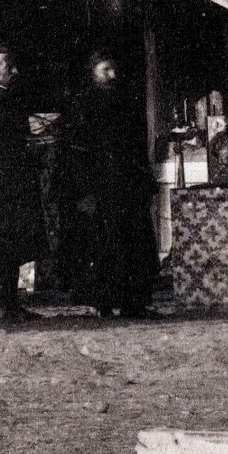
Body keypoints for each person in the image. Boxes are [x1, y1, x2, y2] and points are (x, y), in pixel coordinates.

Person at [60, 48, 158, 318]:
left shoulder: (125, 103)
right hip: (100, 188)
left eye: (113, 69)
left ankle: (133, 303)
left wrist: (144, 180)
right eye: (105, 70)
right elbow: (75, 155)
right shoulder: (82, 107)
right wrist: (84, 191)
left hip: (127, 187)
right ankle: (103, 302)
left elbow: (135, 147)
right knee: (103, 245)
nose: (113, 75)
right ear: (93, 73)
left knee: (132, 243)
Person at [0, 47, 47, 325]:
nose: (14, 71)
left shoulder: (9, 101)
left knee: (13, 244)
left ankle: (11, 304)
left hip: (14, 183)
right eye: (7, 66)